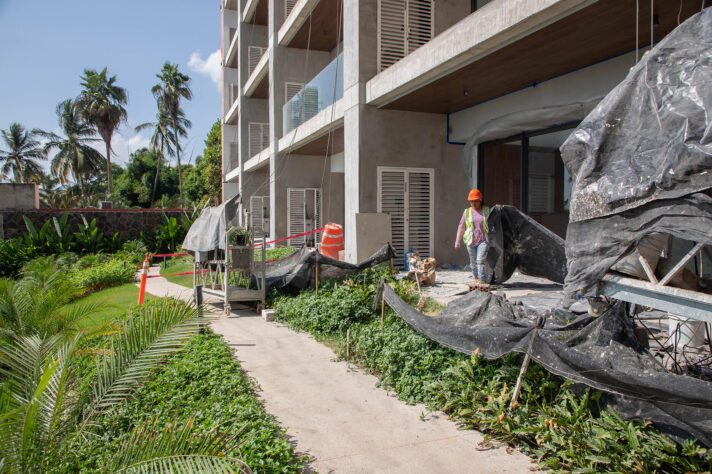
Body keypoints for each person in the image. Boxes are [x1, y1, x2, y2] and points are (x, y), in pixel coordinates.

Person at [454, 189, 491, 284]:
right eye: (471, 201)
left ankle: (482, 280)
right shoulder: (467, 212)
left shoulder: (486, 211)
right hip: (470, 241)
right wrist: (457, 241)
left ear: (480, 200)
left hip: (483, 240)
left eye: (475, 201)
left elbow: (495, 220)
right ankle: (475, 277)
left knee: (480, 260)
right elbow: (461, 227)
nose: (473, 203)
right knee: (473, 262)